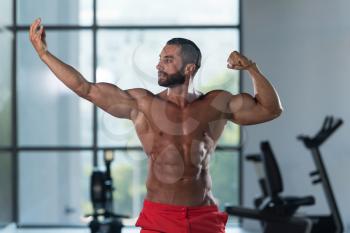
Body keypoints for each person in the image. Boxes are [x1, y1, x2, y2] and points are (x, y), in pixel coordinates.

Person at [29, 18, 283, 233]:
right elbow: (85, 88)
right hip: (160, 217)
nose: (158, 65)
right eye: (160, 58)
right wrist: (44, 54)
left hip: (204, 215)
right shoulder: (143, 103)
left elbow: (270, 109)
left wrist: (252, 68)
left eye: (168, 60)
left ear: (189, 68)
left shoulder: (216, 103)